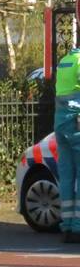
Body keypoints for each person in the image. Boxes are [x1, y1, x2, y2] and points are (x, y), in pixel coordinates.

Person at [54, 47, 80, 243]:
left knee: (66, 176)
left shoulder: (66, 60)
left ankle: (67, 224)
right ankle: (78, 226)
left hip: (61, 123)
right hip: (76, 123)